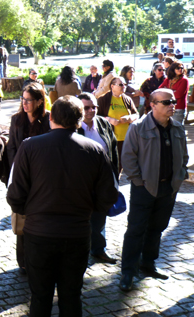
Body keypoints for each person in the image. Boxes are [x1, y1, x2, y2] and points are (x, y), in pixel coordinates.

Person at [7, 96, 118, 317]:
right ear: (78, 120)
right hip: (76, 233)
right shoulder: (95, 149)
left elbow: (15, 194)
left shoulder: (30, 147)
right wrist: (88, 208)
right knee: (71, 295)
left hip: (39, 234)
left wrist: (33, 210)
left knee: (40, 296)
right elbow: (109, 194)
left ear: (51, 119)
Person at [119, 88, 189, 292]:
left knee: (157, 228)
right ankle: (128, 272)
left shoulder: (177, 128)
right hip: (144, 188)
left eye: (173, 101)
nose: (172, 105)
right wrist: (139, 182)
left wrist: (179, 176)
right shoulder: (138, 127)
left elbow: (184, 156)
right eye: (166, 102)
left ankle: (148, 264)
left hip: (169, 188)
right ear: (152, 105)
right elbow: (128, 158)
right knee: (136, 230)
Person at [7, 82, 51, 274]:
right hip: (21, 176)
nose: (24, 103)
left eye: (29, 100)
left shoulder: (49, 120)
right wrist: (16, 169)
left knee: (41, 218)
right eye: (22, 99)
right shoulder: (17, 119)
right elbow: (11, 147)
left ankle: (40, 257)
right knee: (22, 218)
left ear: (40, 101)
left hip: (42, 177)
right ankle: (23, 261)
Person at [77, 93, 120, 264]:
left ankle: (98, 249)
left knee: (100, 217)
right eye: (86, 107)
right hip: (81, 183)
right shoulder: (73, 126)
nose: (91, 111)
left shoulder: (102, 123)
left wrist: (115, 175)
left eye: (94, 107)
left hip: (102, 182)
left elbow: (113, 148)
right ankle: (80, 253)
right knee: (81, 219)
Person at [97, 76, 138, 174]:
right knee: (108, 164)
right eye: (121, 84)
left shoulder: (127, 99)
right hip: (109, 139)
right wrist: (109, 119)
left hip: (125, 139)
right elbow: (96, 117)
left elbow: (136, 114)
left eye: (125, 84)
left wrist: (129, 118)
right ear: (112, 86)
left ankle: (116, 184)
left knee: (120, 165)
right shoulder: (103, 99)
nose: (124, 86)